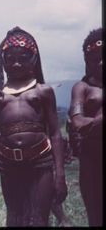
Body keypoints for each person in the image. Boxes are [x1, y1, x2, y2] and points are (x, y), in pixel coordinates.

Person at [0, 27, 67, 226]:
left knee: (39, 219)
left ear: (33, 60)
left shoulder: (43, 91)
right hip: (8, 164)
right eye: (10, 58)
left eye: (22, 58)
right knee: (15, 217)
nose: (16, 63)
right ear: (2, 61)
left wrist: (60, 174)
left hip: (40, 163)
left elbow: (55, 133)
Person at [69, 28, 103, 226]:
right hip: (92, 159)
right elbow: (78, 123)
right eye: (95, 58)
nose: (101, 63)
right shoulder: (82, 88)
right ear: (86, 61)